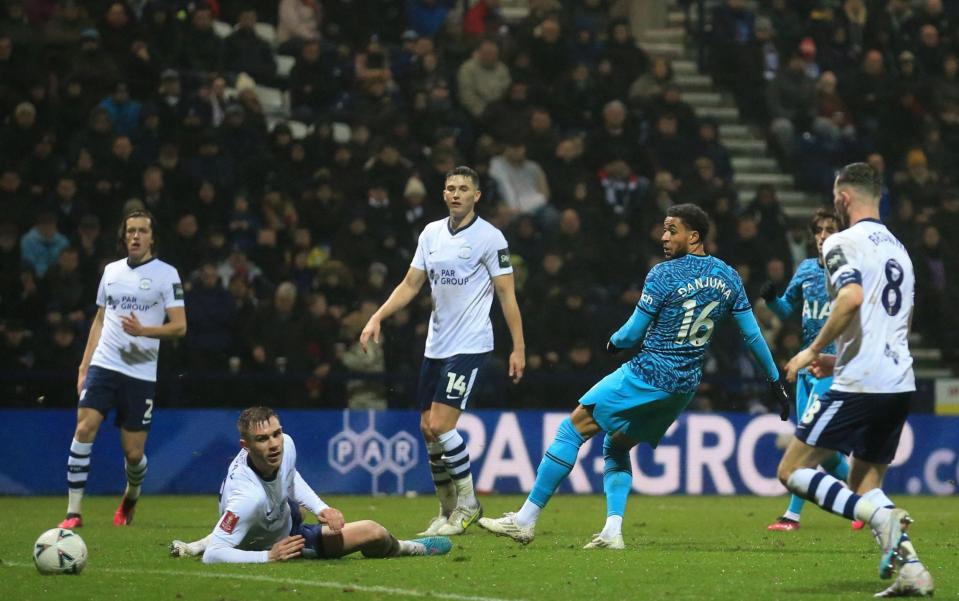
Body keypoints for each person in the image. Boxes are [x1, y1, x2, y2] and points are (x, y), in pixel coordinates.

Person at [479, 204, 788, 548]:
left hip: (649, 372)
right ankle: (613, 531)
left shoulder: (663, 274)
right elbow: (753, 335)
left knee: (573, 427)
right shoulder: (729, 277)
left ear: (694, 236)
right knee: (616, 445)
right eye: (664, 229)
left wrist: (611, 344)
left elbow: (631, 333)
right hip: (684, 387)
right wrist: (775, 380)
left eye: (673, 230)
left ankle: (525, 520)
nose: (664, 236)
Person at [778, 163, 934, 597]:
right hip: (899, 382)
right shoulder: (900, 250)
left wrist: (811, 350)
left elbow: (851, 297)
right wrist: (833, 360)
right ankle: (914, 572)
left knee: (792, 469)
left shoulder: (841, 242)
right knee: (865, 481)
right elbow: (891, 320)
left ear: (843, 198)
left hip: (862, 384)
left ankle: (879, 517)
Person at [359, 166, 526, 537]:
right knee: (426, 429)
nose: (455, 194)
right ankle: (447, 508)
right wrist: (377, 317)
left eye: (463, 189)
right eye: (450, 188)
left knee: (441, 425)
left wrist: (518, 346)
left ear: (477, 195)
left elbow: (506, 294)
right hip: (436, 345)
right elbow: (410, 284)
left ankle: (468, 505)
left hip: (470, 345)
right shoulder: (431, 233)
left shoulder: (490, 237)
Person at [169, 407, 451, 562]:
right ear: (245, 446)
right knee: (374, 532)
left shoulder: (286, 446)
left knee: (296, 510)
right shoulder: (247, 499)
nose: (274, 444)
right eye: (263, 439)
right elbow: (216, 556)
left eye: (276, 433)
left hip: (282, 518)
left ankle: (197, 543)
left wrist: (321, 507)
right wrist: (269, 556)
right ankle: (408, 547)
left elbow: (290, 475)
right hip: (278, 541)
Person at [59, 210, 187, 529]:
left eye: (142, 231)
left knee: (133, 453)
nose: (135, 236)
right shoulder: (111, 271)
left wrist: (144, 331)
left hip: (140, 373)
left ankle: (131, 494)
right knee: (84, 428)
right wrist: (84, 365)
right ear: (124, 235)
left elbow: (180, 327)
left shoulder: (166, 274)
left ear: (152, 237)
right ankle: (73, 513)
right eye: (131, 230)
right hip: (105, 363)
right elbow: (101, 318)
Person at [761, 209, 856, 532]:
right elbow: (787, 308)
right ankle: (865, 496)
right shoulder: (805, 269)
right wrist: (772, 299)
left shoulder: (849, 274)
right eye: (818, 230)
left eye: (830, 229)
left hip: (832, 367)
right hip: (805, 365)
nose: (822, 235)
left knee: (806, 438)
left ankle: (792, 515)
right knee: (825, 455)